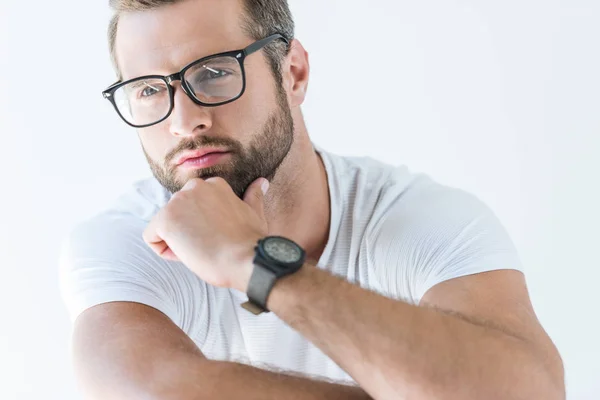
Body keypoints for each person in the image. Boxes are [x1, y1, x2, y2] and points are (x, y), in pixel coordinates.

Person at [59, 0, 565, 399]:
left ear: (293, 73)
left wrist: (256, 264)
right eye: (148, 89)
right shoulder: (125, 240)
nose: (182, 119)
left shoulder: (419, 220)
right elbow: (152, 393)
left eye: (214, 73)